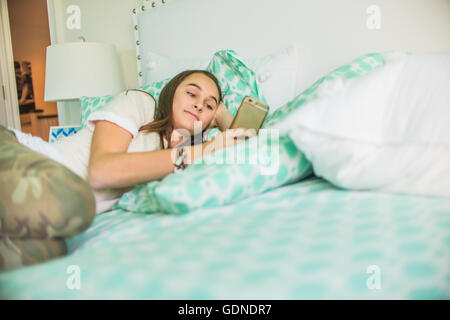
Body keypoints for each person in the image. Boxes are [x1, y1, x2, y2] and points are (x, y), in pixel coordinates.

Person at [0, 70, 254, 270]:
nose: (199, 105)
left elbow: (248, 150)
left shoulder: (180, 158)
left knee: (42, 264)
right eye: (191, 94)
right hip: (23, 158)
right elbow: (102, 172)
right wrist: (202, 149)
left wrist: (222, 116)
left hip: (49, 216)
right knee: (72, 202)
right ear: (172, 94)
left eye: (209, 105)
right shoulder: (140, 103)